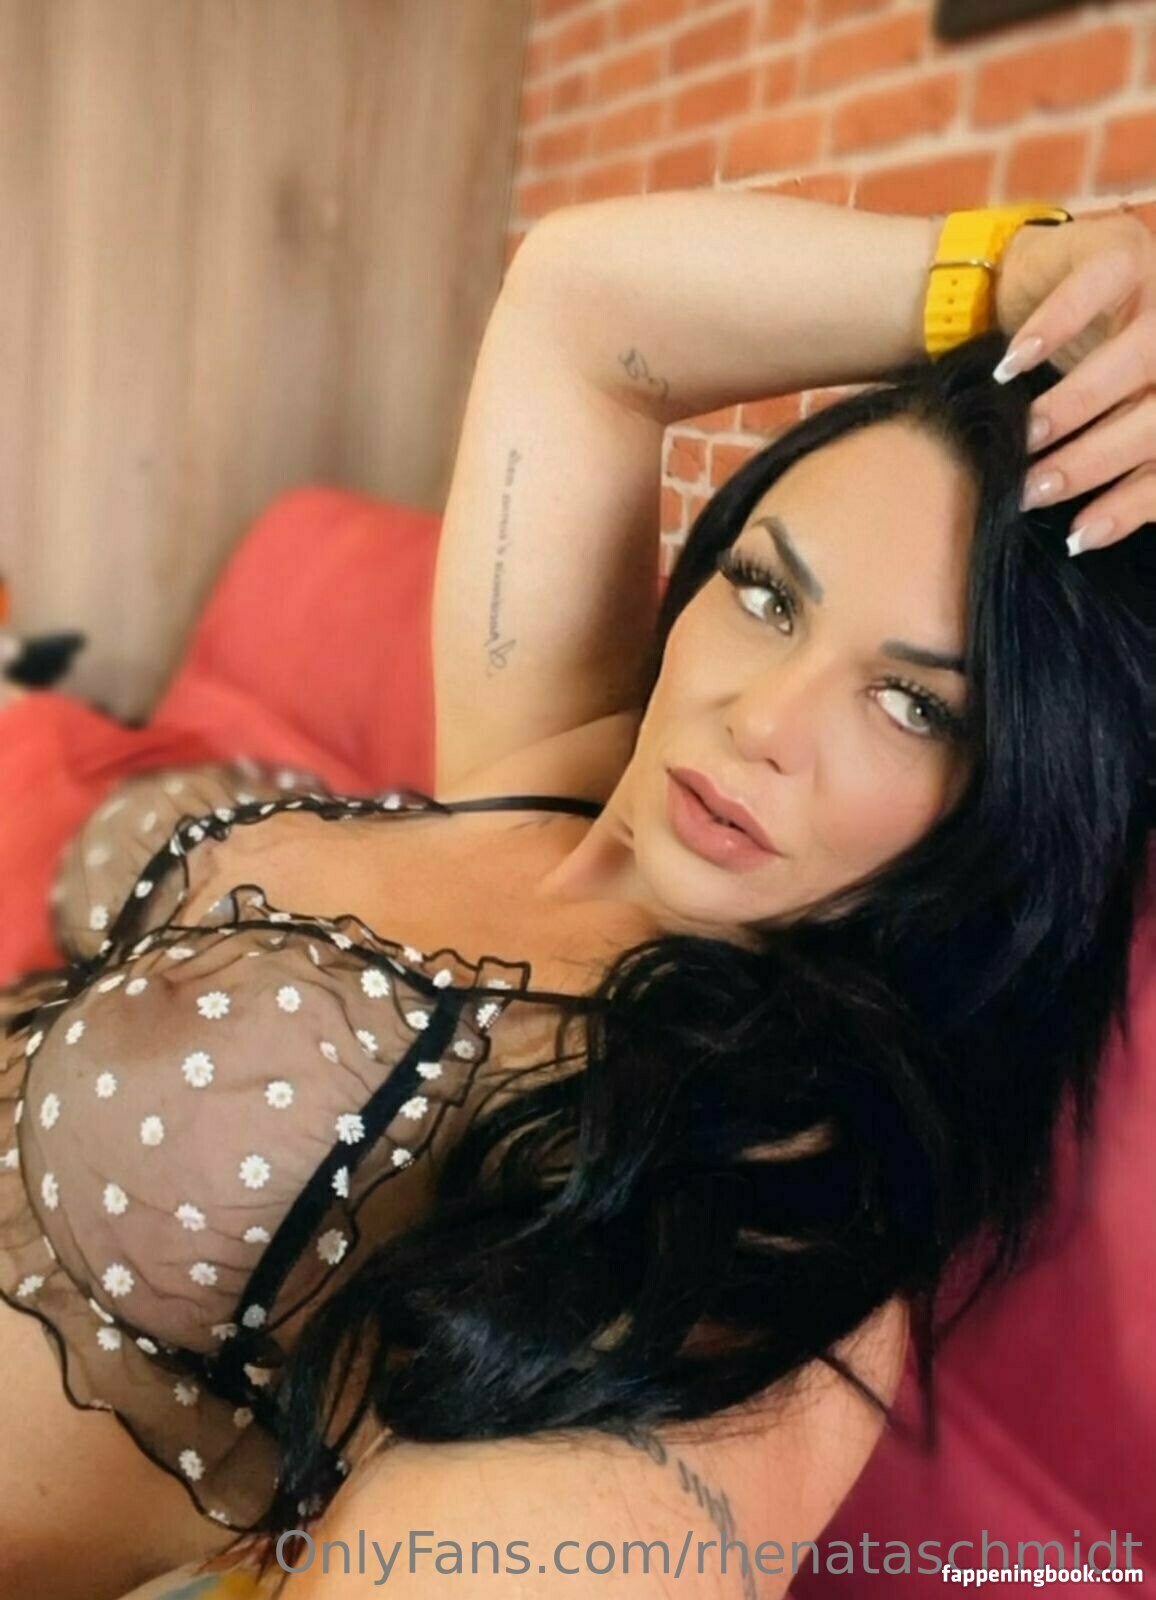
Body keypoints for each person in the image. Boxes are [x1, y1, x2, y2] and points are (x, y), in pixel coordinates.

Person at [0, 191, 1153, 1600]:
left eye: (914, 705)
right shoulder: (559, 766)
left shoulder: (751, 1159)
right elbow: (579, 304)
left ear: (1016, 795)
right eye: (768, 594)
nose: (759, 720)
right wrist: (1025, 272)